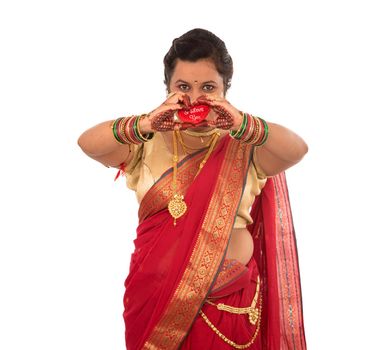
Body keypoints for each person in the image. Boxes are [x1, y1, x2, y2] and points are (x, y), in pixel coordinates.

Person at [78, 28, 308, 350]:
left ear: (226, 88)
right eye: (184, 86)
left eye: (209, 87)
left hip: (230, 303)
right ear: (168, 88)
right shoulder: (147, 142)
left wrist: (241, 123)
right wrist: (145, 124)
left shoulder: (244, 145)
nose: (196, 98)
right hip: (156, 303)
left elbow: (297, 150)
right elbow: (87, 143)